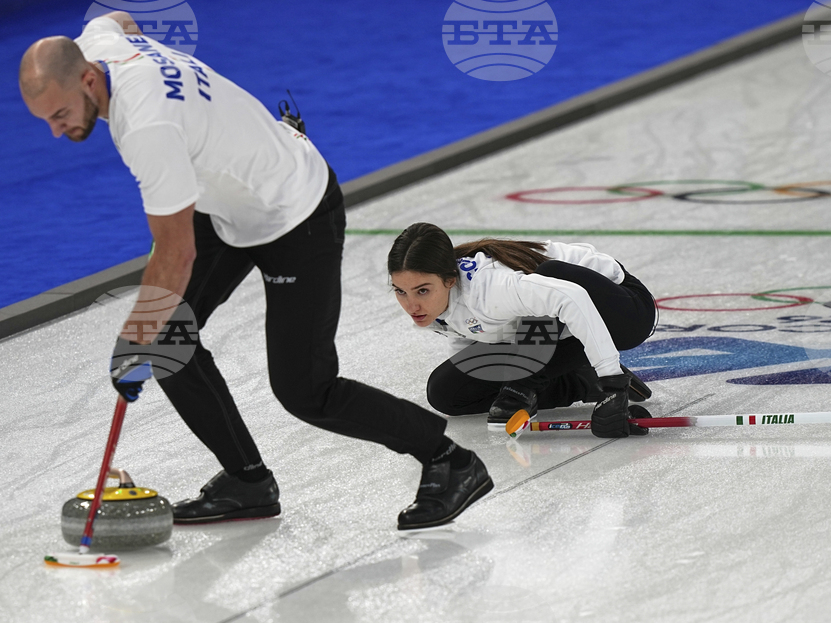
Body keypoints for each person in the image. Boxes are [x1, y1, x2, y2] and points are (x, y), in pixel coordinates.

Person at [19, 13, 492, 530]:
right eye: (45, 120)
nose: (57, 131)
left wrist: (137, 334)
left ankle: (450, 460)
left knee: (304, 389)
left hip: (296, 212)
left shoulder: (145, 125)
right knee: (166, 341)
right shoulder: (100, 44)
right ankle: (247, 481)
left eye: (61, 113)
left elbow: (174, 253)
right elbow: (119, 19)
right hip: (231, 205)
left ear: (90, 79)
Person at [387, 223, 657, 436]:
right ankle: (582, 381)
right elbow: (469, 332)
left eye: (422, 290)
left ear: (449, 281)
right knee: (446, 392)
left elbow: (571, 298)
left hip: (624, 312)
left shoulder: (490, 289)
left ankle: (555, 379)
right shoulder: (433, 305)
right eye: (400, 291)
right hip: (554, 326)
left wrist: (613, 385)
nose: (412, 305)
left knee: (549, 277)